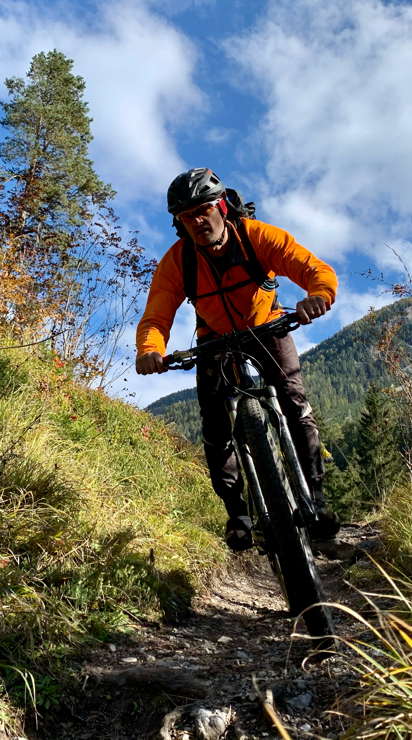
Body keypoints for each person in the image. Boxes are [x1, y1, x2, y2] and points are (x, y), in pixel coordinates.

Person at [136, 167, 341, 551]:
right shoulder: (179, 261)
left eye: (203, 209)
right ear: (179, 223)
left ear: (222, 207)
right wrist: (149, 350)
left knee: (295, 404)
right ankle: (237, 514)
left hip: (266, 326)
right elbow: (156, 316)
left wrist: (319, 294)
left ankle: (315, 499)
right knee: (215, 426)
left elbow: (312, 268)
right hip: (213, 339)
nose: (197, 220)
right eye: (187, 216)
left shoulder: (256, 236)